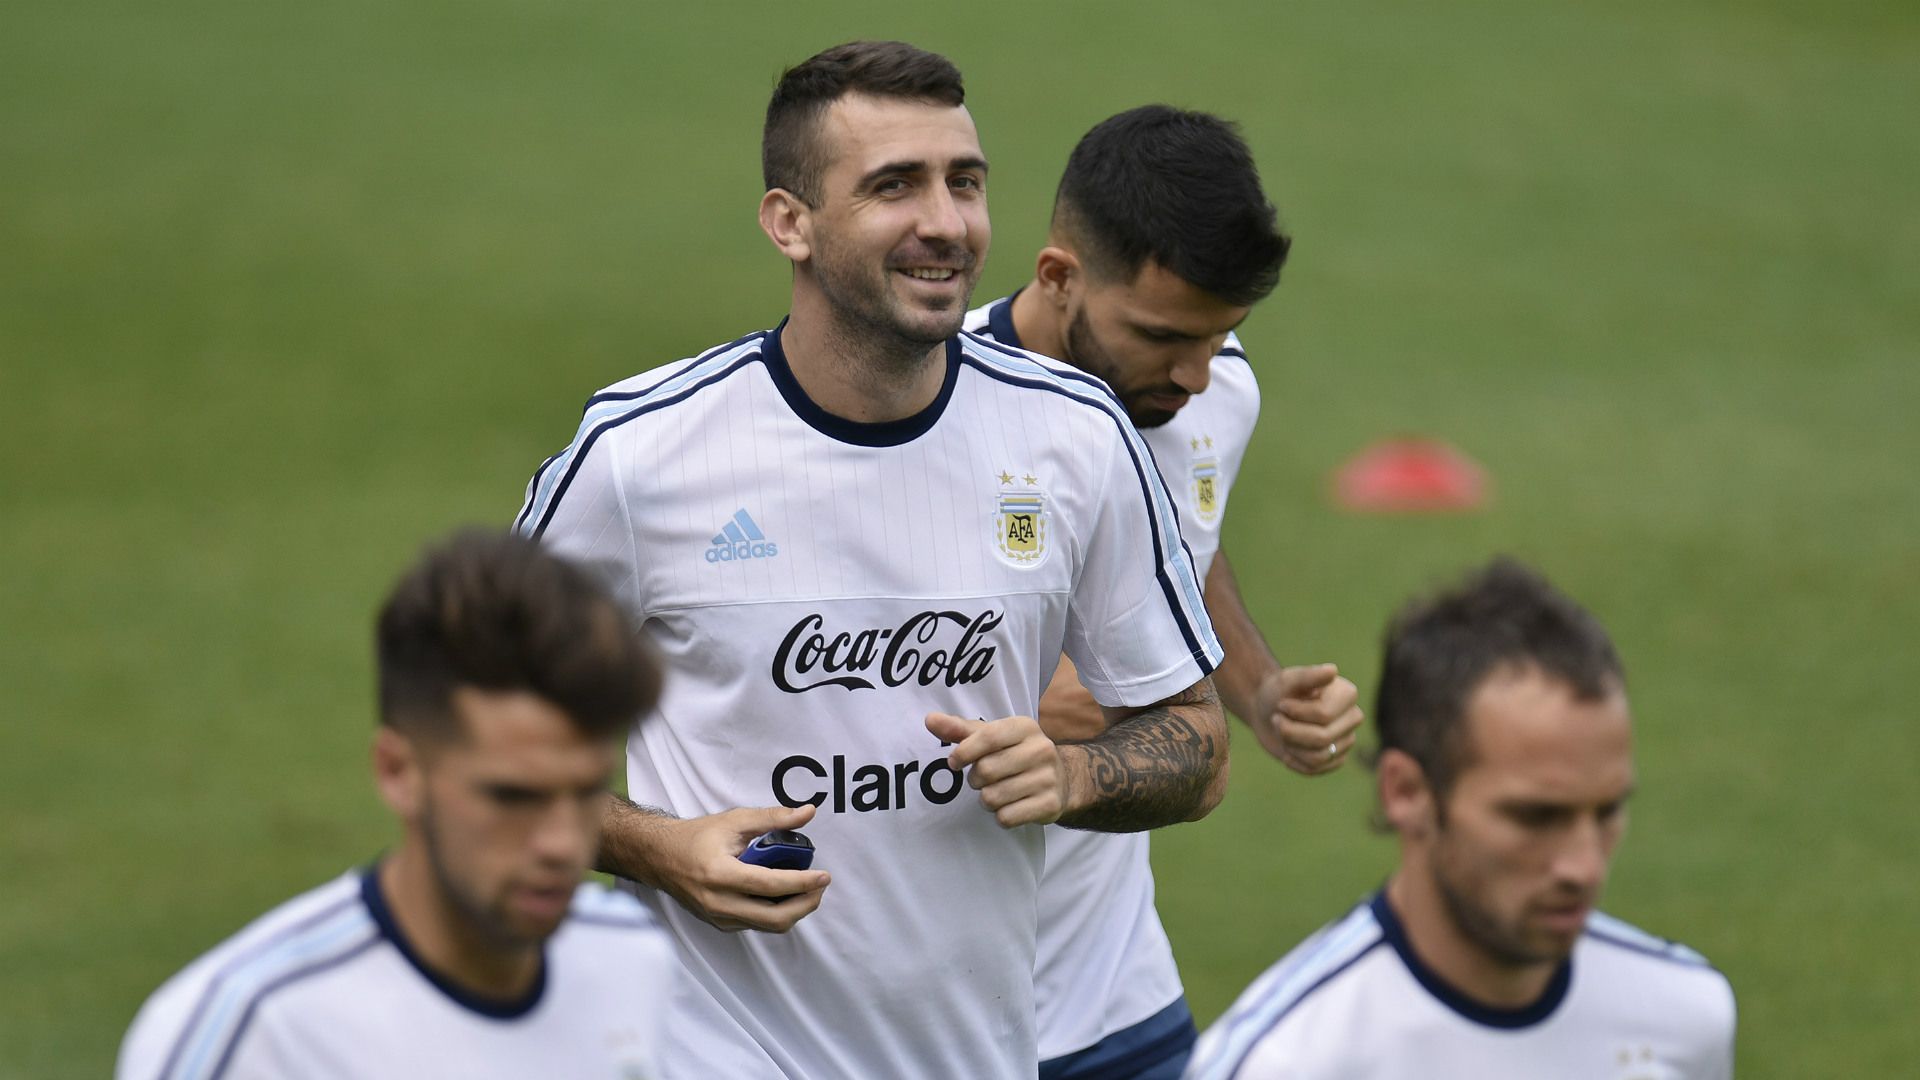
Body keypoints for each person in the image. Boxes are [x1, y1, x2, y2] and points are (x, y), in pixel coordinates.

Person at [514, 40, 1230, 1080]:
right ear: (788, 222)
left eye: (965, 182)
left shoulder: (1075, 439)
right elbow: (469, 745)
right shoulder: (641, 457)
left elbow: (1197, 745)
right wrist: (659, 850)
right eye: (894, 186)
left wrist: (1073, 774)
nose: (945, 222)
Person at [963, 105, 1365, 1079]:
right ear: (1058, 277)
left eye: (1222, 334)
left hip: (1117, 1001)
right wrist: (1013, 694)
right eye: (1161, 335)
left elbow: (1185, 543)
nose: (1194, 374)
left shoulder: (1215, 391)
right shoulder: (934, 412)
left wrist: (1256, 688)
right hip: (940, 1014)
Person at [116, 530, 678, 1079]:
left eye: (584, 792)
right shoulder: (249, 1034)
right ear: (398, 772)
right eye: (512, 797)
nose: (561, 844)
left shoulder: (631, 960)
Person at [1185, 559, 1736, 1079]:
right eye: (1534, 817)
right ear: (1407, 793)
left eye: (1608, 812)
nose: (1584, 867)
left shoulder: (1687, 1016)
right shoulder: (1284, 1063)